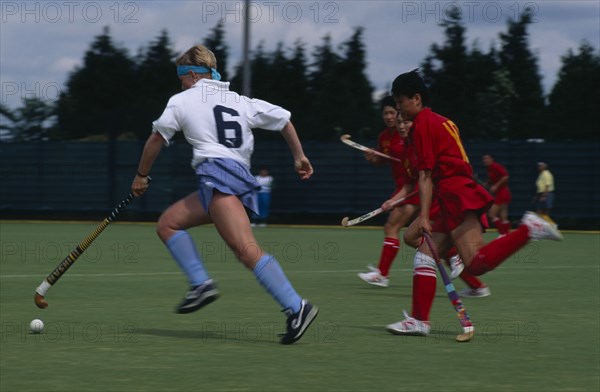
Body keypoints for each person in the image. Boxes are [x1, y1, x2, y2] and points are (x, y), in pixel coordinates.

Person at [130, 45, 318, 345]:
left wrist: (141, 176)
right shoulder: (238, 99)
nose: (180, 84)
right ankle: (200, 284)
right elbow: (283, 119)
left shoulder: (181, 100)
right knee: (168, 224)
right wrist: (299, 156)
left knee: (246, 250)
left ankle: (297, 307)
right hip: (225, 178)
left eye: (181, 78)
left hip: (220, 177)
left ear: (191, 75)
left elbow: (156, 139)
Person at [383, 70, 562, 336]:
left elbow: (426, 175)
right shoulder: (440, 121)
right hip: (454, 193)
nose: (397, 109)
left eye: (400, 101)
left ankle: (529, 229)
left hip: (456, 194)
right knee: (425, 253)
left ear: (416, 99)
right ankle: (420, 320)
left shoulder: (422, 125)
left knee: (476, 263)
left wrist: (422, 216)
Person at [357, 97, 419, 287]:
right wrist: (373, 158)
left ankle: (382, 275)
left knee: (392, 227)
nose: (389, 117)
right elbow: (384, 161)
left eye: (393, 113)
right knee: (422, 237)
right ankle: (476, 285)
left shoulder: (410, 132)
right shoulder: (384, 137)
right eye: (386, 113)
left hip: (416, 188)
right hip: (404, 188)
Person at [482, 154, 512, 236]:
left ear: (492, 159)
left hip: (502, 192)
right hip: (502, 193)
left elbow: (505, 176)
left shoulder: (496, 166)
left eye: (487, 158)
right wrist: (487, 183)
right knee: (503, 216)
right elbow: (493, 179)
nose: (485, 160)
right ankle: (506, 235)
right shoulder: (489, 169)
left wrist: (496, 186)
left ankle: (502, 233)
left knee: (491, 214)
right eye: (484, 159)